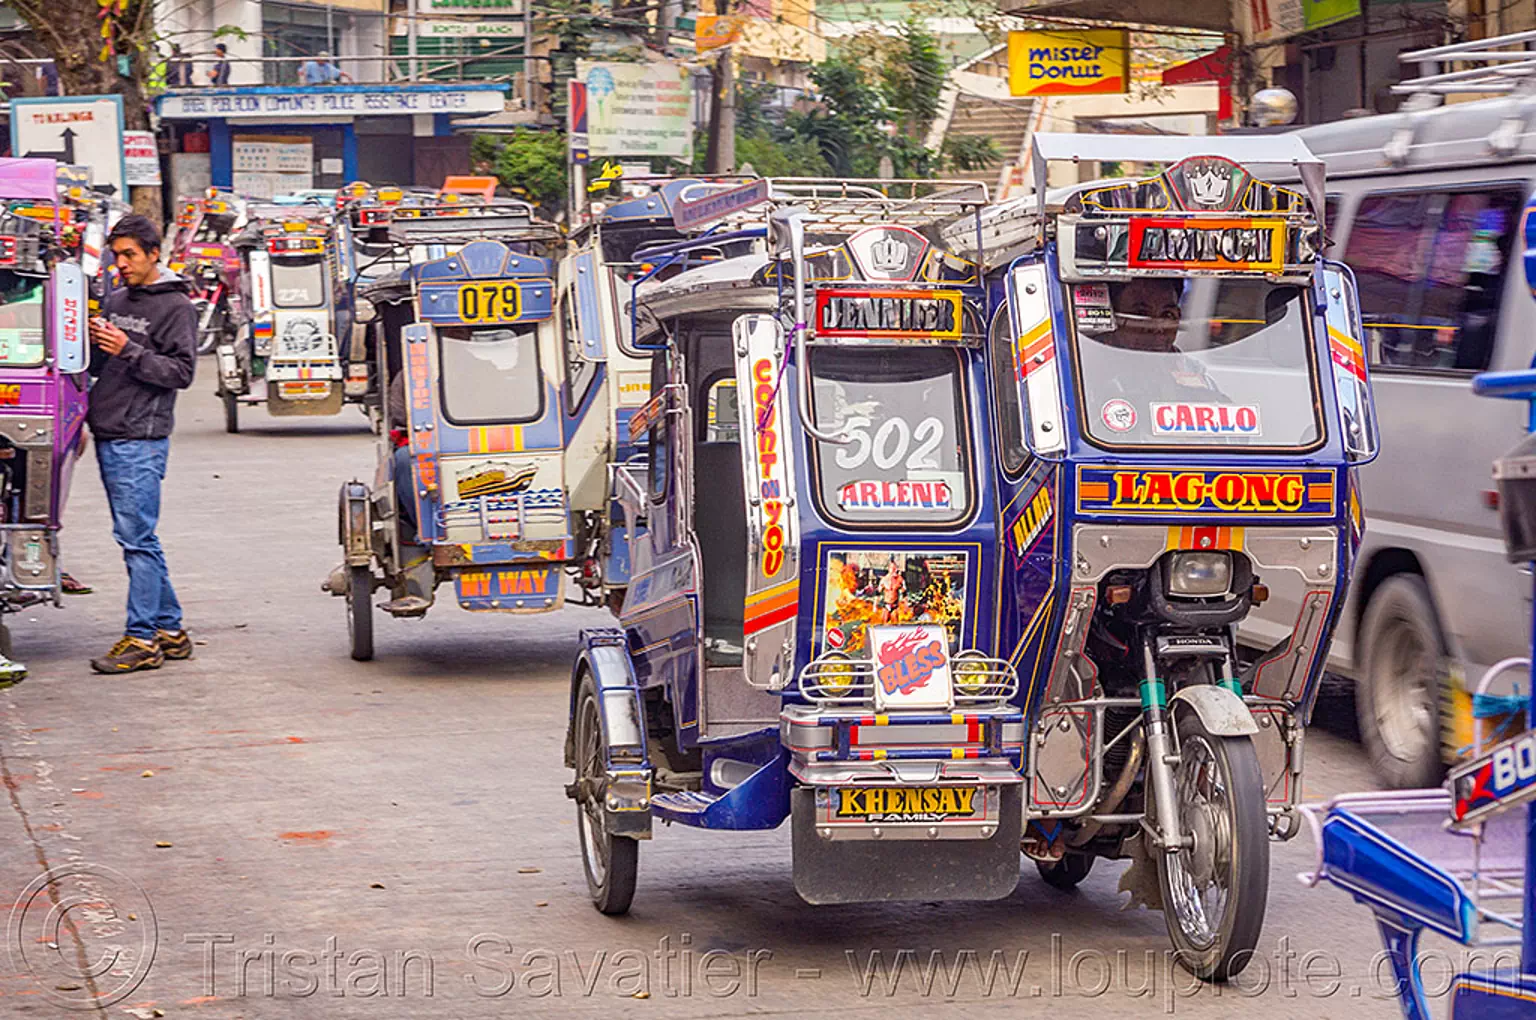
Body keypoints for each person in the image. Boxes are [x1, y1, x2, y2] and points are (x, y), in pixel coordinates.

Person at [86, 215, 197, 674]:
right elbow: (97, 363)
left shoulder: (176, 307)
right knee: (137, 536)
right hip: (109, 431)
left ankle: (143, 639)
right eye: (116, 256)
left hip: (140, 438)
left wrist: (126, 349)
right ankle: (169, 630)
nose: (122, 264)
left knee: (137, 540)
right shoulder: (114, 300)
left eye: (130, 254)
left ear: (154, 253)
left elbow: (181, 373)